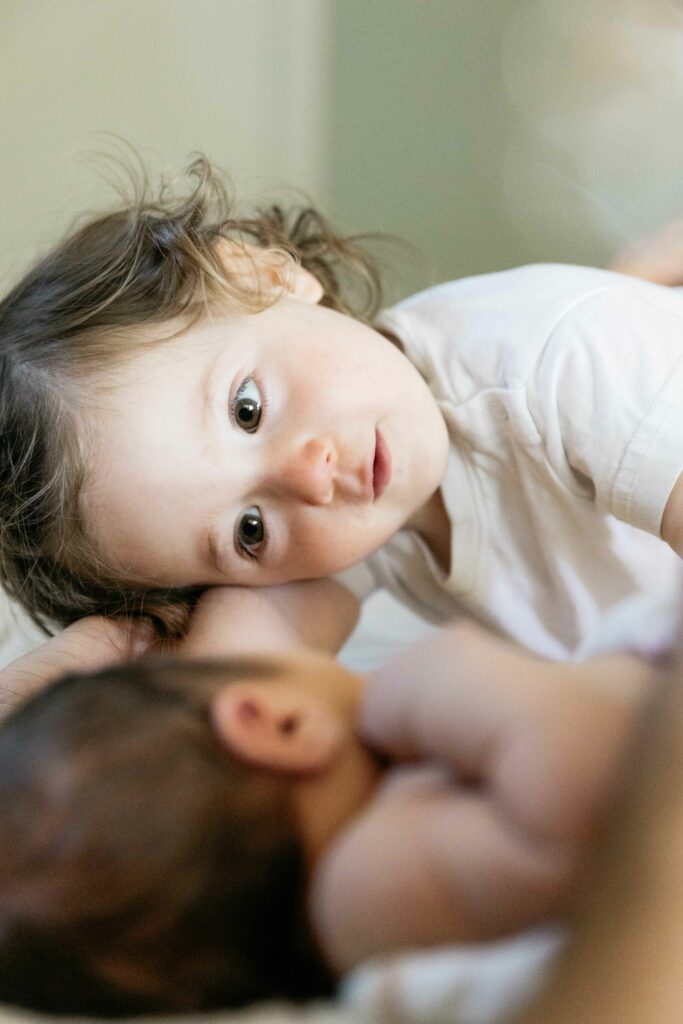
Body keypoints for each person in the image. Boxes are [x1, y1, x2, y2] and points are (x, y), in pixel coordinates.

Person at [2, 154, 683, 670]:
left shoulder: (554, 358)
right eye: (248, 530)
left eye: (247, 409)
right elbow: (240, 673)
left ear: (261, 276)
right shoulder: (359, 521)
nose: (307, 478)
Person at [0, 585, 655, 1016]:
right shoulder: (368, 882)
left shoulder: (349, 921)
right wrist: (430, 680)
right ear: (279, 725)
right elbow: (606, 798)